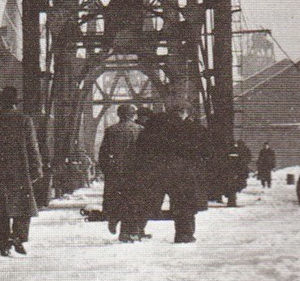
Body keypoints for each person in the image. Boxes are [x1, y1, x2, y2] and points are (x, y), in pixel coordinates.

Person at [127, 96, 208, 243]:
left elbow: (140, 148)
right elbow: (201, 152)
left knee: (146, 202)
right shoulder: (190, 128)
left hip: (154, 170)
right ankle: (184, 235)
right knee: (183, 204)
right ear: (184, 112)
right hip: (181, 171)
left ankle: (134, 231)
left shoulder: (153, 125)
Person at [0, 86, 43, 256]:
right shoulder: (24, 120)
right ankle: (18, 236)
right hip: (20, 171)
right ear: (15, 103)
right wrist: (36, 168)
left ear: (1, 103)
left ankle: (3, 245)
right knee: (24, 208)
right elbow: (32, 147)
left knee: (0, 211)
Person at [98, 104, 142, 235]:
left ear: (119, 115)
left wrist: (107, 170)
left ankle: (114, 218)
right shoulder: (140, 130)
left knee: (116, 199)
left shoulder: (111, 130)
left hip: (116, 171)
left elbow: (103, 154)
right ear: (133, 115)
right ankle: (129, 232)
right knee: (132, 201)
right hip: (134, 172)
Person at [225, 138, 253, 206]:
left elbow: (247, 158)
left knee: (234, 186)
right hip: (235, 171)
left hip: (236, 171)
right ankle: (232, 201)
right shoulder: (231, 150)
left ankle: (231, 200)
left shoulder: (241, 150)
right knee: (233, 186)